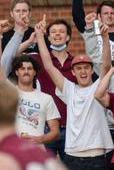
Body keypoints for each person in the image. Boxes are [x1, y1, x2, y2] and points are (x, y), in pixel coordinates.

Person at [35, 16, 113, 170]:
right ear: (74, 71)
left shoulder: (99, 87)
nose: (83, 71)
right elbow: (48, 66)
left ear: (91, 70)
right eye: (79, 68)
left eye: (87, 67)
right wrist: (40, 36)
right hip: (72, 157)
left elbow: (106, 65)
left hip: (96, 157)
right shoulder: (69, 89)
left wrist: (105, 38)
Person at [18, 17, 78, 160]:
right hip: (46, 127)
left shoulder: (77, 63)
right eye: (53, 32)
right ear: (48, 37)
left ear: (68, 36)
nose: (57, 34)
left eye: (61, 32)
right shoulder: (39, 59)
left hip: (71, 127)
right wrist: (31, 40)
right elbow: (10, 57)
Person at [10, 55, 61, 146]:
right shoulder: (7, 94)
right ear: (16, 72)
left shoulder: (46, 98)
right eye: (22, 68)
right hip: (12, 152)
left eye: (29, 68)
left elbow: (56, 132)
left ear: (34, 72)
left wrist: (40, 139)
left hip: (36, 151)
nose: (26, 72)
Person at [0, 0, 36, 73]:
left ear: (30, 13)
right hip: (10, 81)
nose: (21, 14)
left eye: (24, 11)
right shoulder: (4, 36)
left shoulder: (36, 34)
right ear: (12, 14)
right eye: (17, 11)